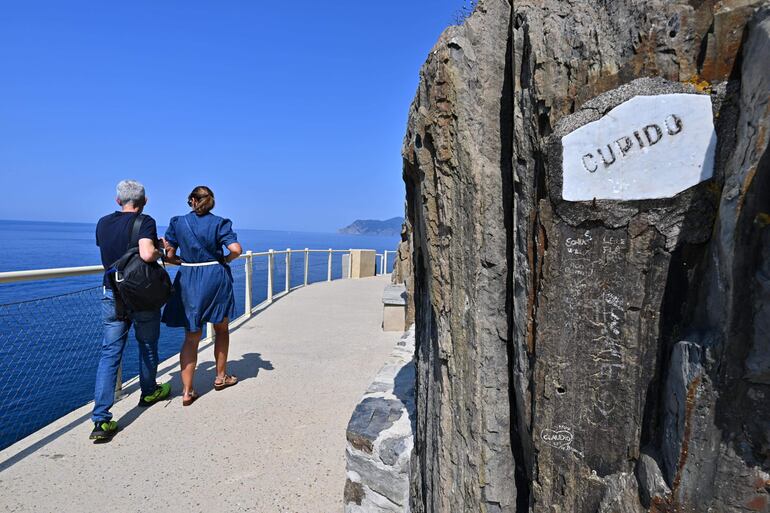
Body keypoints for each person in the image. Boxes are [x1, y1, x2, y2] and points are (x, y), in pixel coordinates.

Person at [92, 180, 171, 442]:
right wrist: (161, 248)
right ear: (144, 201)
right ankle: (148, 392)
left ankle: (101, 419)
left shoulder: (103, 222)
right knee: (147, 344)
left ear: (118, 201)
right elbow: (147, 254)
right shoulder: (145, 221)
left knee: (110, 353)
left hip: (111, 293)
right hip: (140, 294)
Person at [162, 186, 242, 406]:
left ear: (191, 201)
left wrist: (179, 259)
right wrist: (225, 260)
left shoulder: (177, 222)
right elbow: (236, 249)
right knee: (221, 329)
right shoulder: (220, 223)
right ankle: (220, 377)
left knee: (191, 336)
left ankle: (187, 392)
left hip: (188, 278)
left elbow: (169, 255)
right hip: (215, 277)